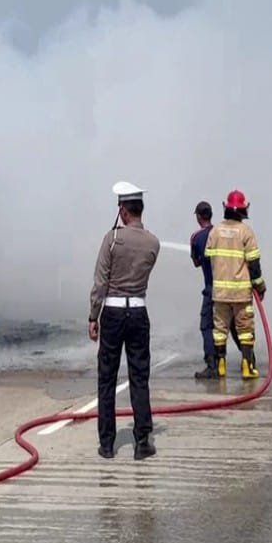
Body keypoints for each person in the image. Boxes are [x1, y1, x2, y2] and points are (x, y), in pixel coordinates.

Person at [89, 181, 161, 460]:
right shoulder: (153, 243)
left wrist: (93, 316)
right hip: (139, 313)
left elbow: (100, 282)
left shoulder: (112, 239)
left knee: (107, 378)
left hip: (114, 313)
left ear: (122, 210)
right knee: (139, 377)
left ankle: (107, 444)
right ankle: (142, 441)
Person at [205, 189, 266, 379]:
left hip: (220, 293)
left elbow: (208, 258)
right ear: (243, 210)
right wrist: (260, 286)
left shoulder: (215, 232)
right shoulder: (246, 232)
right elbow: (254, 264)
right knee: (245, 330)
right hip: (241, 293)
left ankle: (220, 364)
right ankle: (247, 366)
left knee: (220, 329)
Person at [190, 201, 220, 379]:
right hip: (230, 287)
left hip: (211, 288)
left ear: (199, 217)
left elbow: (196, 263)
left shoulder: (196, 237)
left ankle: (212, 365)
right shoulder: (221, 233)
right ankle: (249, 361)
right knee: (233, 325)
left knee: (206, 325)